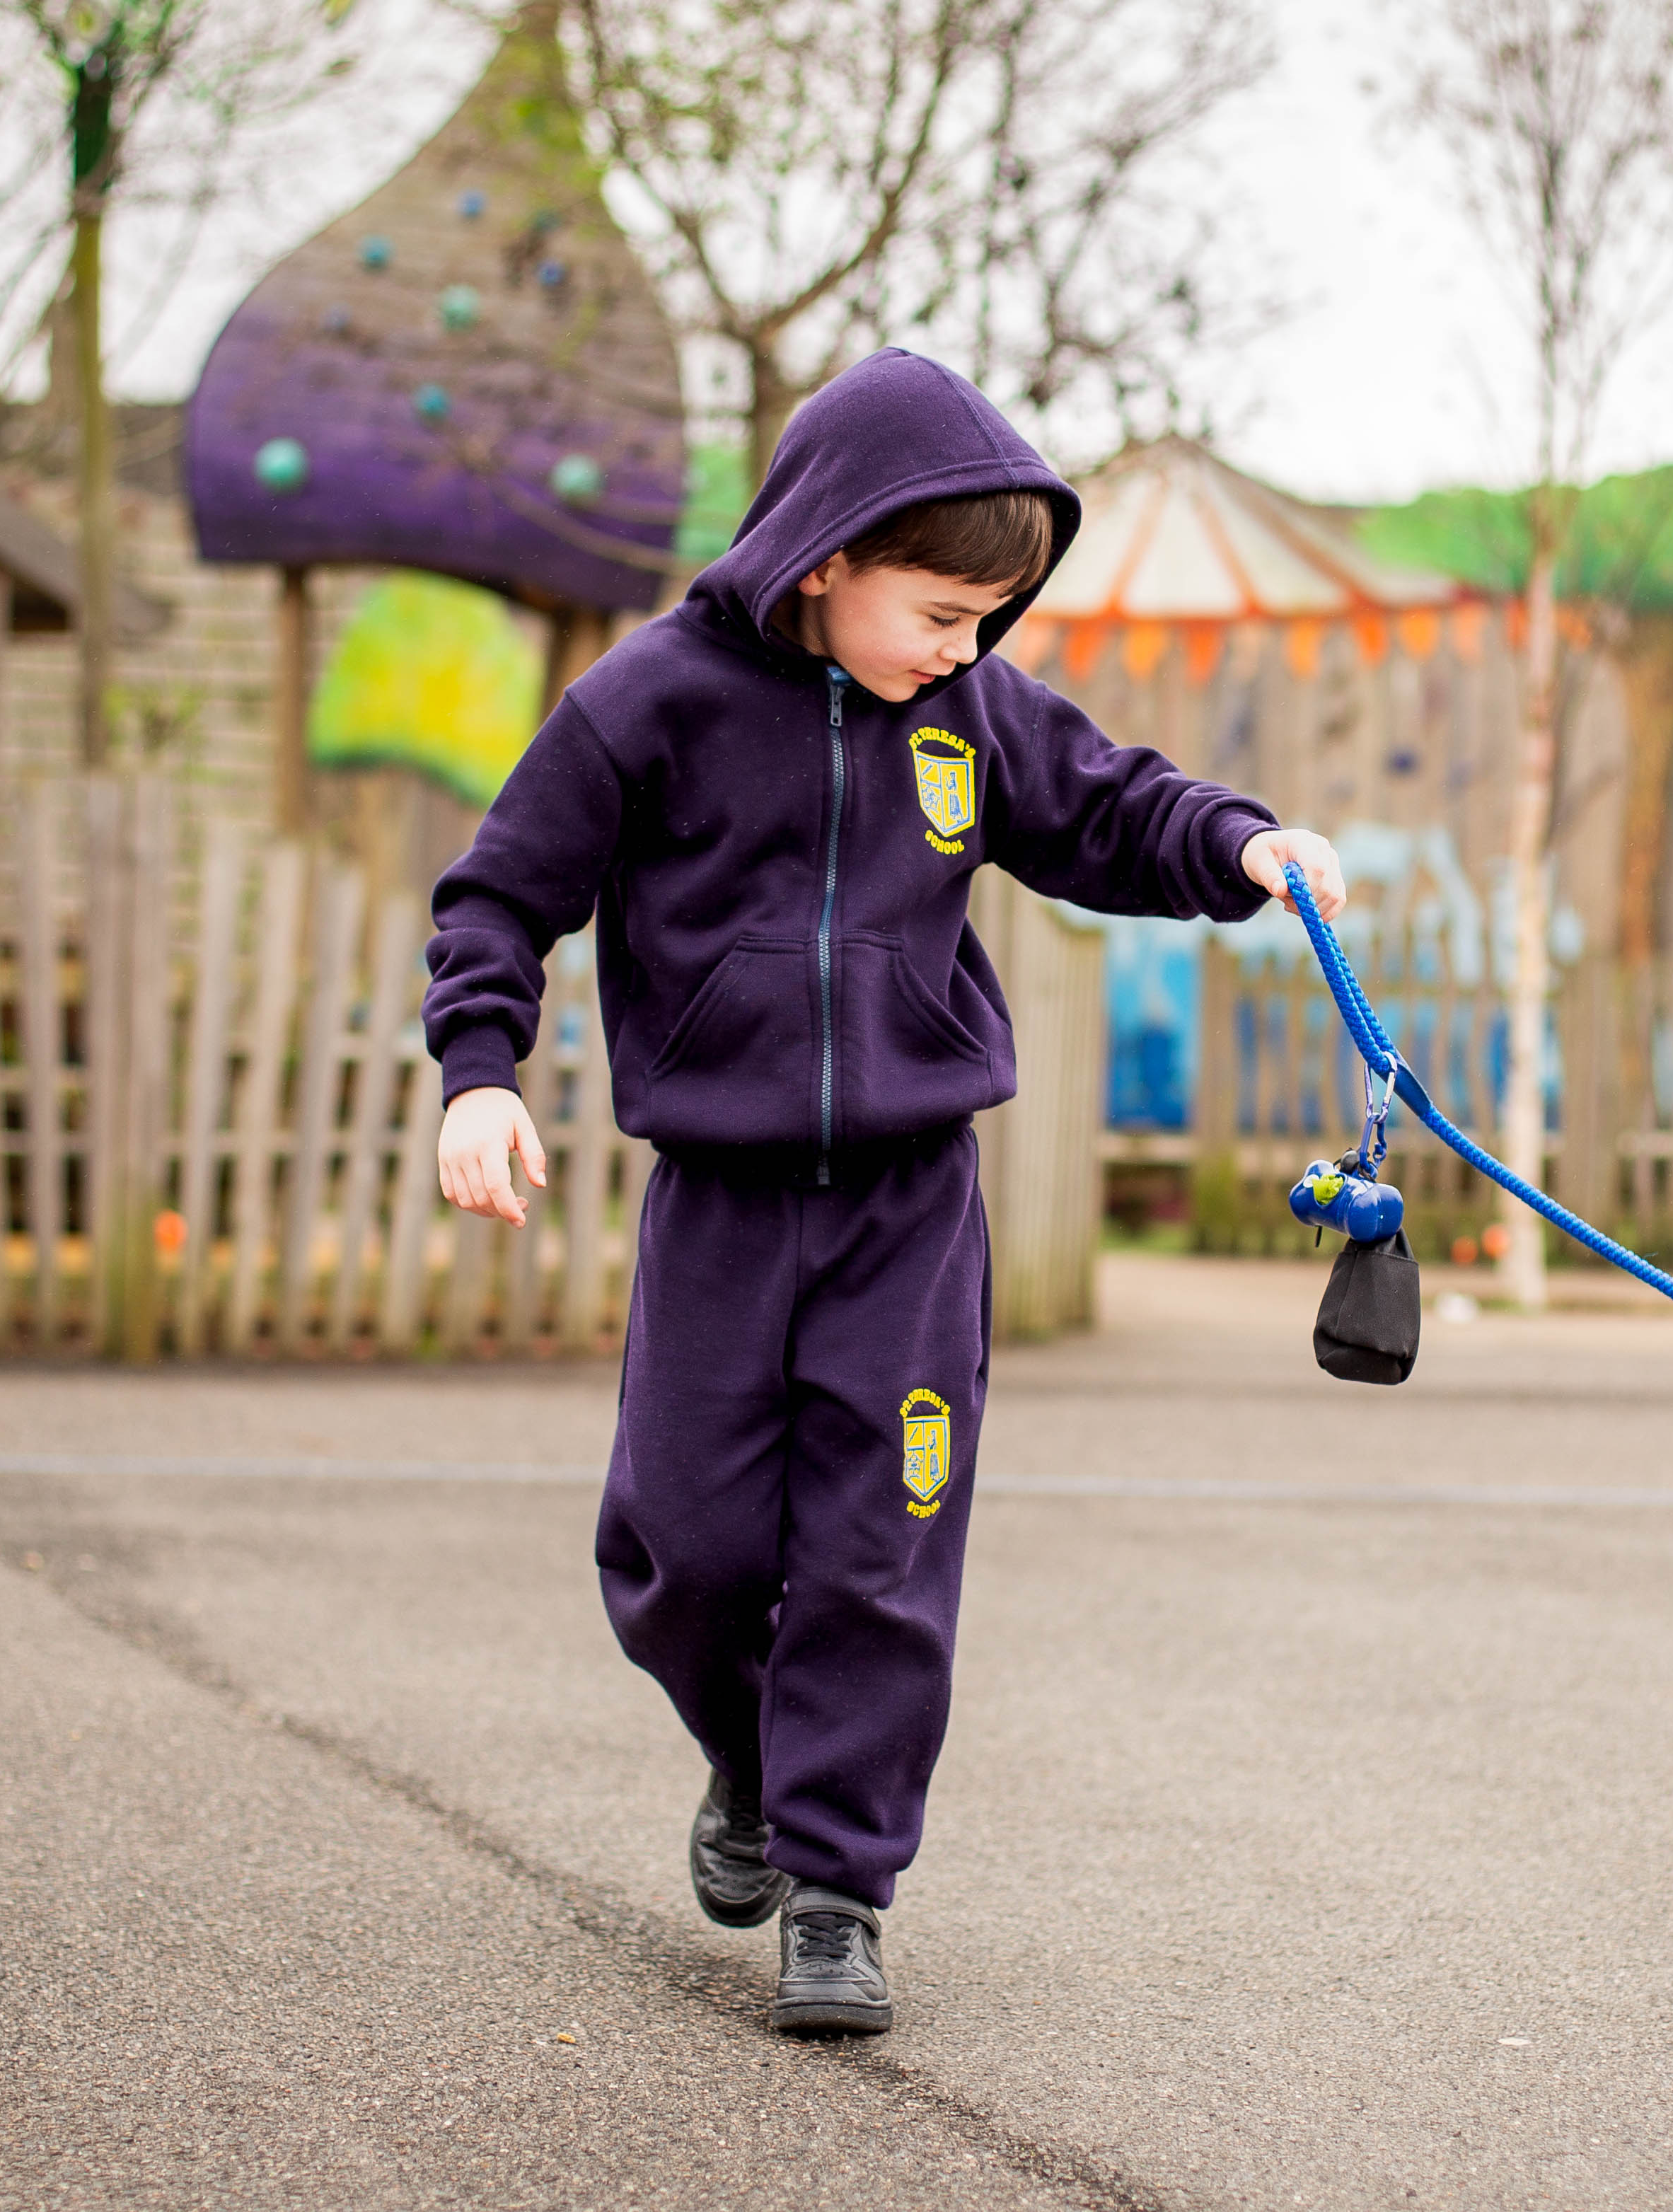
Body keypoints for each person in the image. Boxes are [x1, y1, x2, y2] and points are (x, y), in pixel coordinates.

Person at [423, 349, 1345, 2037]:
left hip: (907, 1213)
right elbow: (499, 896)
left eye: (989, 620)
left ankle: (839, 1892)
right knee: (686, 1550)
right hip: (722, 1200)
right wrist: (478, 1071)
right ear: (825, 555)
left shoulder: (969, 715)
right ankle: (752, 1765)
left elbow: (1111, 804)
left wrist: (1238, 844)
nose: (962, 649)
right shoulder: (647, 703)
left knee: (879, 1546)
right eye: (938, 611)